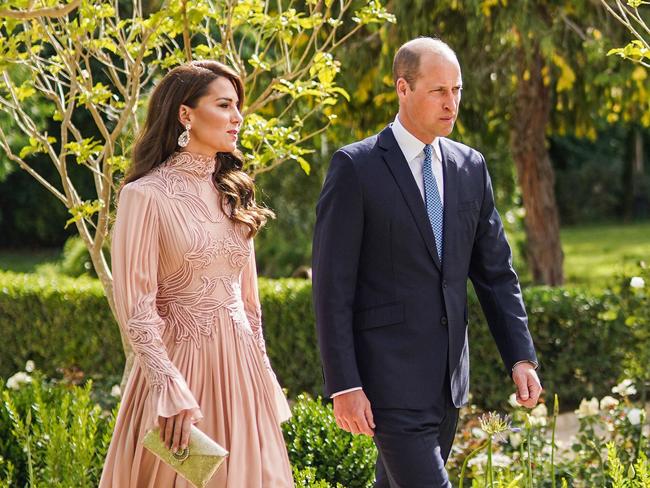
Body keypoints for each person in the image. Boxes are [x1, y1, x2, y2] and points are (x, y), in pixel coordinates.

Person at [312, 37, 542, 487]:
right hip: (387, 381)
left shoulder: (469, 166)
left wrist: (520, 356)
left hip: (448, 383)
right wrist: (344, 384)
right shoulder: (355, 168)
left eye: (456, 90)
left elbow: (496, 273)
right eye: (439, 91)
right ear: (403, 88)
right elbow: (332, 289)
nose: (451, 102)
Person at [100, 60, 294, 487]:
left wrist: (263, 372)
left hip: (242, 373)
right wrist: (168, 387)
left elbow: (249, 303)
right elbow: (136, 306)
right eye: (224, 105)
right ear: (185, 115)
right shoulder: (143, 195)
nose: (238, 117)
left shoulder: (235, 193)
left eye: (238, 106)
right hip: (181, 373)